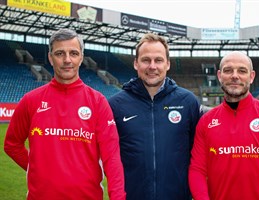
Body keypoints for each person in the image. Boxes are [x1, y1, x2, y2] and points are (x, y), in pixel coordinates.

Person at [4, 28, 126, 200]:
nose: (67, 60)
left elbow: (111, 158)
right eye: (60, 53)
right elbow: (11, 144)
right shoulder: (30, 101)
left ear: (81, 57)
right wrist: (36, 169)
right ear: (50, 58)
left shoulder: (98, 102)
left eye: (73, 53)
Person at [189, 51, 259, 200]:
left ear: (251, 76)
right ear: (220, 76)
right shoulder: (206, 122)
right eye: (228, 70)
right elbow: (197, 170)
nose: (235, 75)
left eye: (242, 70)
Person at [108, 32, 203, 200]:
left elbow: (198, 156)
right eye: (146, 60)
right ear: (136, 63)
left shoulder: (188, 102)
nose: (152, 66)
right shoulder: (115, 105)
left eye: (158, 60)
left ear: (167, 64)